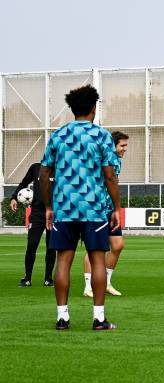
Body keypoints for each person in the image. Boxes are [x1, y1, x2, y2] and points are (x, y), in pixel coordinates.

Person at [39, 85, 121, 331]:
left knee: (63, 261)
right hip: (93, 208)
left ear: (72, 108)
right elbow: (109, 175)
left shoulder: (59, 135)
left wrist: (49, 206)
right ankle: (98, 318)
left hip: (64, 208)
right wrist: (116, 207)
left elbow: (44, 173)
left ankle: (62, 318)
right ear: (94, 108)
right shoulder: (101, 136)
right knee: (97, 260)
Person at [83, 131, 129, 297]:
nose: (125, 149)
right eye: (122, 146)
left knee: (117, 246)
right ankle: (88, 287)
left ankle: (106, 283)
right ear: (113, 145)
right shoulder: (103, 158)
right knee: (94, 249)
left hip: (110, 210)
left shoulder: (117, 161)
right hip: (97, 209)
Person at [10, 162, 56, 287]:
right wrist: (14, 197)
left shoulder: (61, 168)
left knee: (51, 246)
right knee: (32, 244)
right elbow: (24, 183)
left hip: (54, 214)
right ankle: (27, 278)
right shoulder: (36, 167)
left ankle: (48, 279)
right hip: (37, 214)